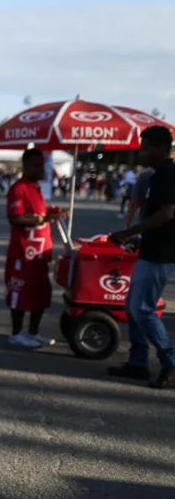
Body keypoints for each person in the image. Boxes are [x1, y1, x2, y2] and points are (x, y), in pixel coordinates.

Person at [108, 126, 175, 389]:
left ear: (160, 148)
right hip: (152, 248)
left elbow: (167, 214)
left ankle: (171, 361)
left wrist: (128, 232)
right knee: (133, 307)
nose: (141, 151)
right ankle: (137, 363)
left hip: (162, 254)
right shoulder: (157, 175)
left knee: (143, 309)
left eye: (145, 146)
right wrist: (139, 237)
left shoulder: (168, 175)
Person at [5, 148, 67, 349]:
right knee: (20, 290)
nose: (41, 169)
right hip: (24, 252)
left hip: (41, 254)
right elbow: (16, 217)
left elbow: (38, 212)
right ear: (26, 166)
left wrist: (52, 211)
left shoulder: (36, 188)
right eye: (36, 165)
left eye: (43, 165)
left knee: (41, 292)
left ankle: (33, 331)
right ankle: (16, 333)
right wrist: (44, 218)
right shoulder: (18, 188)